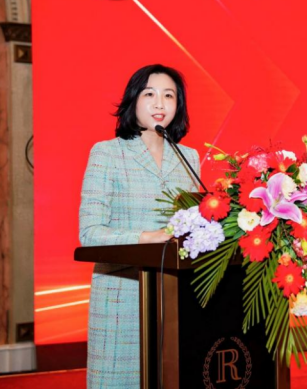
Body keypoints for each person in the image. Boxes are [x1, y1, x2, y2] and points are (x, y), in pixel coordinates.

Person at [79, 64, 200, 388]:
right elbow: (90, 233)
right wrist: (147, 237)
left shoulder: (189, 157)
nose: (160, 104)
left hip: (175, 296)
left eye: (169, 96)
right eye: (150, 94)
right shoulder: (107, 153)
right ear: (133, 100)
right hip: (122, 293)